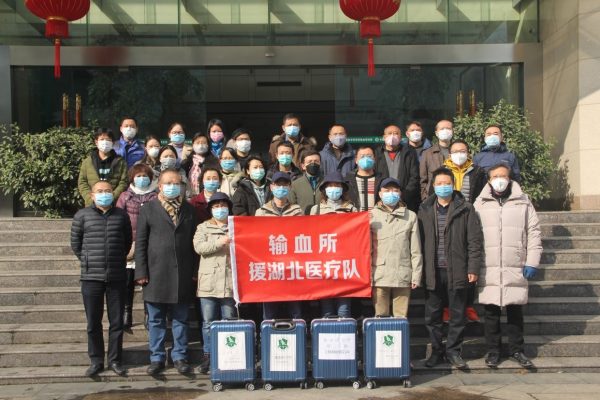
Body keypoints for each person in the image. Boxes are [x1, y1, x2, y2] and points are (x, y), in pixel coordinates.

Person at [474, 164, 542, 369]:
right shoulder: (479, 204)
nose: (499, 179)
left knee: (515, 311)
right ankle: (493, 351)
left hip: (515, 264)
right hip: (489, 265)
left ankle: (517, 350)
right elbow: (473, 236)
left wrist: (532, 261)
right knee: (491, 312)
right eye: (495, 176)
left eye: (503, 176)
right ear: (489, 180)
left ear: (510, 179)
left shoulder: (524, 202)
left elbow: (534, 232)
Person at [135, 169, 199, 376]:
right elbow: (141, 242)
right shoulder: (148, 209)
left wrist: (195, 270)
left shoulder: (189, 210)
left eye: (177, 183)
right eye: (168, 183)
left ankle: (180, 356)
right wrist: (141, 271)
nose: (173, 186)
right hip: (156, 273)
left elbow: (194, 242)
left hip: (182, 272)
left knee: (181, 318)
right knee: (156, 319)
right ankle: (157, 357)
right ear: (160, 186)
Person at [418, 167, 483, 370]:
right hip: (433, 271)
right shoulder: (424, 209)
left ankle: (454, 351)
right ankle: (437, 351)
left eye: (447, 183)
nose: (443, 187)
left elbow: (474, 241)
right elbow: (418, 242)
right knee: (433, 316)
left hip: (457, 269)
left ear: (453, 185)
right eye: (439, 183)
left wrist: (473, 267)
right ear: (433, 186)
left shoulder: (466, 209)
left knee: (457, 314)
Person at [70, 181, 132, 377]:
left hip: (116, 275)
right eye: (100, 191)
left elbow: (127, 241)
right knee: (93, 322)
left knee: (117, 322)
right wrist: (88, 260)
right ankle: (96, 360)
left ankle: (115, 360)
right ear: (92, 195)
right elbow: (76, 244)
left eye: (107, 191)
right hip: (91, 277)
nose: (104, 194)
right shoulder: (82, 215)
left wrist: (117, 259)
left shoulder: (121, 215)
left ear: (113, 193)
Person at [440, 139, 487, 323]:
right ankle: (446, 307)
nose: (459, 154)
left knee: (469, 262)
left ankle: (468, 305)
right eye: (455, 151)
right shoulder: (443, 172)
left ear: (468, 153)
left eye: (462, 151)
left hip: (470, 216)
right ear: (449, 154)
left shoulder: (477, 171)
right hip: (448, 217)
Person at [193, 192, 237, 374]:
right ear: (210, 209)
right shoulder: (203, 227)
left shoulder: (236, 226)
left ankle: (229, 355)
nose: (220, 209)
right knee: (208, 322)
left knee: (229, 321)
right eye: (216, 206)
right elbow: (199, 247)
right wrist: (220, 242)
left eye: (223, 206)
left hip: (229, 281)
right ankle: (208, 355)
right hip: (209, 282)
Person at [370, 178, 422, 318]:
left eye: (395, 190)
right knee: (380, 316)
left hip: (403, 273)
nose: (391, 193)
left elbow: (416, 250)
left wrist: (416, 275)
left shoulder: (411, 216)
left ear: (400, 193)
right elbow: (367, 250)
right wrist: (367, 275)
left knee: (400, 317)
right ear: (380, 194)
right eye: (387, 190)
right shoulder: (371, 216)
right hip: (379, 274)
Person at [115, 163, 158, 329]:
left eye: (145, 176)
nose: (142, 179)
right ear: (132, 178)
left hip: (150, 243)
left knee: (149, 280)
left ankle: (149, 313)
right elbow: (118, 219)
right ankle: (127, 312)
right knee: (127, 281)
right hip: (130, 243)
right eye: (138, 176)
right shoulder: (125, 196)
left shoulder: (156, 196)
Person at [255, 172, 303, 319]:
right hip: (270, 267)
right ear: (271, 187)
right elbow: (256, 239)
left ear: (289, 187)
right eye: (278, 184)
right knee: (270, 309)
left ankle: (297, 331)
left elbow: (303, 235)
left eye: (284, 184)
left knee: (295, 309)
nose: (281, 187)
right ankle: (269, 331)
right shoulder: (261, 212)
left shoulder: (297, 211)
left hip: (292, 266)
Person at [310, 171, 356, 318]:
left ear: (343, 189)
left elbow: (356, 235)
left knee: (344, 309)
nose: (334, 188)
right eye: (330, 185)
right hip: (324, 263)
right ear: (325, 189)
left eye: (337, 185)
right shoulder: (316, 210)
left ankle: (344, 331)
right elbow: (310, 235)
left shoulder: (351, 209)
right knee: (327, 309)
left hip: (344, 264)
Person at [374, 124, 420, 212]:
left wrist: (404, 195)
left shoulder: (409, 152)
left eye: (396, 133)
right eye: (389, 133)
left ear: (400, 137)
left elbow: (414, 176)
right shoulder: (377, 153)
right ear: (384, 137)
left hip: (405, 200)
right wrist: (381, 195)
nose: (392, 136)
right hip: (383, 199)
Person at [78, 128, 128, 207]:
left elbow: (124, 182)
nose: (105, 142)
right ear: (96, 142)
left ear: (113, 142)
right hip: (92, 206)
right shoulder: (88, 162)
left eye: (108, 140)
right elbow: (82, 182)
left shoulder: (120, 162)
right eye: (102, 139)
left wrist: (112, 197)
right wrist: (90, 198)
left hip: (114, 205)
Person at [420, 119, 454, 201]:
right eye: (442, 129)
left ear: (453, 131)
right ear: (436, 133)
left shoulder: (458, 151)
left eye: (448, 128)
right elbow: (423, 179)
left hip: (455, 197)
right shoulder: (427, 153)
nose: (445, 131)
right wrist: (425, 198)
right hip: (433, 198)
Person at [346, 146, 384, 212]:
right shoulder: (348, 181)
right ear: (356, 160)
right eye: (362, 156)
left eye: (369, 156)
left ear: (374, 159)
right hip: (355, 217)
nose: (366, 159)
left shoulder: (382, 180)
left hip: (376, 217)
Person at [289, 150, 323, 214]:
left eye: (316, 161)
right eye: (309, 162)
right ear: (303, 166)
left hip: (323, 219)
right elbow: (291, 206)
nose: (313, 164)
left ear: (320, 164)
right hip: (303, 219)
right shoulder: (295, 185)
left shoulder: (326, 183)